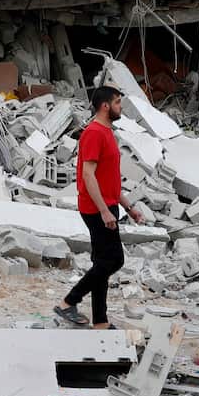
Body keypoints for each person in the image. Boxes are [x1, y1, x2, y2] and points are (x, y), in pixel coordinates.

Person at [54, 85, 144, 329]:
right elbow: (88, 175)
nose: (120, 106)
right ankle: (67, 302)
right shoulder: (94, 133)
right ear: (105, 105)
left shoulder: (107, 132)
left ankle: (101, 322)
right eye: (117, 102)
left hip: (108, 204)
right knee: (112, 261)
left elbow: (109, 179)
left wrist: (129, 207)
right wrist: (104, 210)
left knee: (103, 263)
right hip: (96, 208)